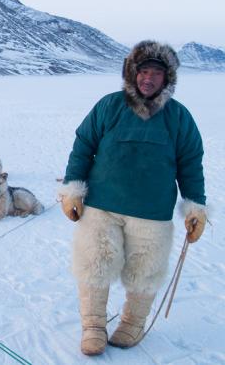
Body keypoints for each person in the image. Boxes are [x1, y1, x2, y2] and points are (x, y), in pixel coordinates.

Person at [57, 40, 208, 356]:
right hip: (101, 205)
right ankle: (93, 327)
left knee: (145, 271)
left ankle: (132, 325)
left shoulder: (179, 118)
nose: (149, 79)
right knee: (94, 264)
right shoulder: (109, 106)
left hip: (152, 212)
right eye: (143, 71)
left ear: (167, 79)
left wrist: (196, 206)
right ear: (132, 73)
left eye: (156, 73)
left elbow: (191, 163)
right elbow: (83, 146)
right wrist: (72, 190)